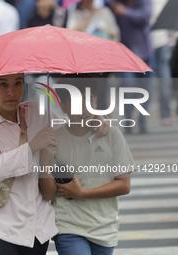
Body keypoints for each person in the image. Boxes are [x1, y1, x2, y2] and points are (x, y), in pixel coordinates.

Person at [0, 72, 111, 254]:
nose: (11, 91)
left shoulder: (34, 112)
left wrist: (94, 120)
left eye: (18, 83)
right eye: (3, 84)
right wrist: (32, 146)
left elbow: (70, 129)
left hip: (34, 227)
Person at [38, 74, 133, 255]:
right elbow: (49, 193)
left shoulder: (112, 135)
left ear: (95, 101)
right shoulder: (53, 139)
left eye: (88, 100)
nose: (84, 108)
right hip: (68, 227)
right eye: (75, 101)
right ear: (63, 106)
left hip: (105, 227)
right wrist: (43, 162)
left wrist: (82, 194)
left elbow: (124, 184)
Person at [111, 0, 155, 134]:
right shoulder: (114, 4)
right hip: (125, 55)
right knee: (127, 87)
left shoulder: (144, 3)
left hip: (145, 53)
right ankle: (128, 120)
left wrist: (125, 12)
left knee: (145, 90)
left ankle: (143, 121)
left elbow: (144, 16)